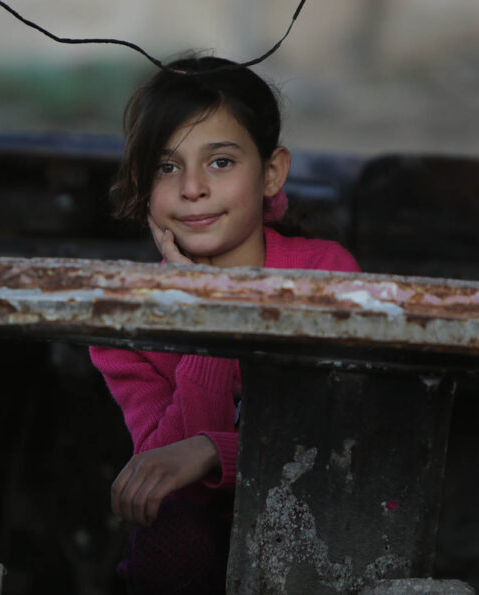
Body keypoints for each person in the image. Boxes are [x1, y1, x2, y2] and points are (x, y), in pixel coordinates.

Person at [90, 55, 359, 594]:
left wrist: (216, 450)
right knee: (171, 529)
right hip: (191, 555)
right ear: (143, 186)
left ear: (271, 172)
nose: (192, 188)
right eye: (167, 168)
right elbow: (167, 482)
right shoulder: (124, 323)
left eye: (220, 162)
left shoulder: (325, 277)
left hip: (319, 544)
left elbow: (346, 448)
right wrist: (206, 314)